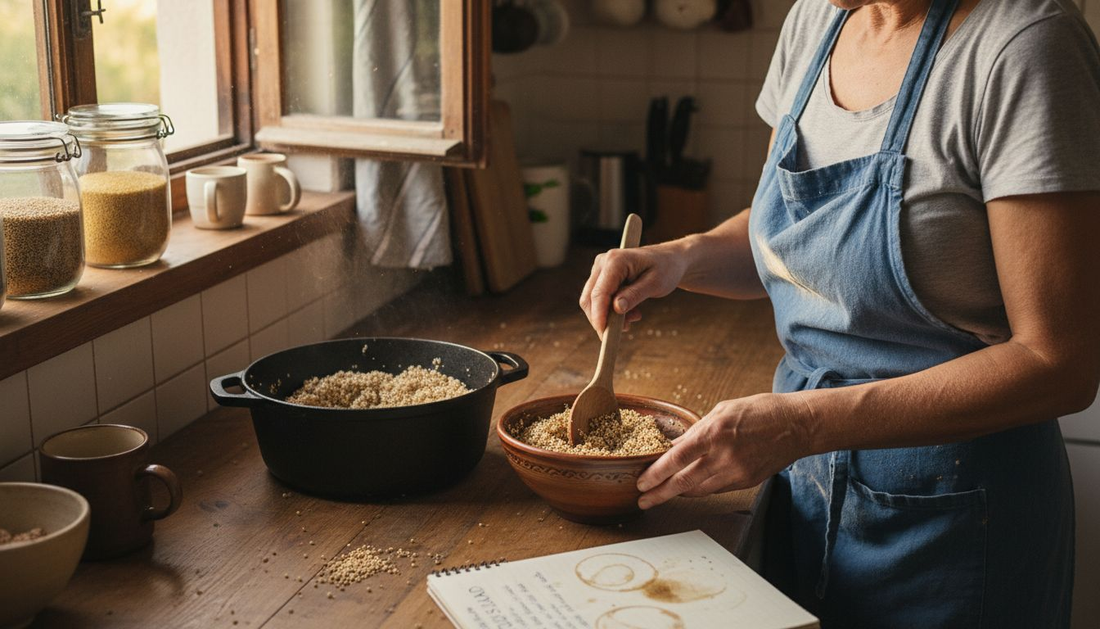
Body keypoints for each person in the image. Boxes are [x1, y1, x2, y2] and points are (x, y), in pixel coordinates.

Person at [578, 0, 1100, 626]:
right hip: (806, 493)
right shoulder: (815, 22)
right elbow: (801, 245)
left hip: (958, 525)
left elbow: (1060, 363)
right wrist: (680, 258)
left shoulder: (1026, 46)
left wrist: (803, 425)